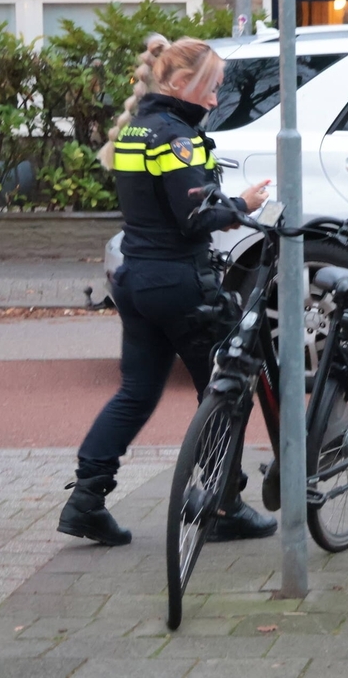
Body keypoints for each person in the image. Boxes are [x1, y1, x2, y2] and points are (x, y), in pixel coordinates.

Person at [58, 34, 277, 547]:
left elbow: (159, 203)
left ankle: (86, 501)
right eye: (212, 88)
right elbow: (194, 217)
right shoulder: (177, 137)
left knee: (136, 393)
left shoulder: (134, 131)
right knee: (229, 389)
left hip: (135, 280)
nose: (216, 99)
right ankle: (222, 504)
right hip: (181, 282)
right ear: (181, 84)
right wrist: (242, 205)